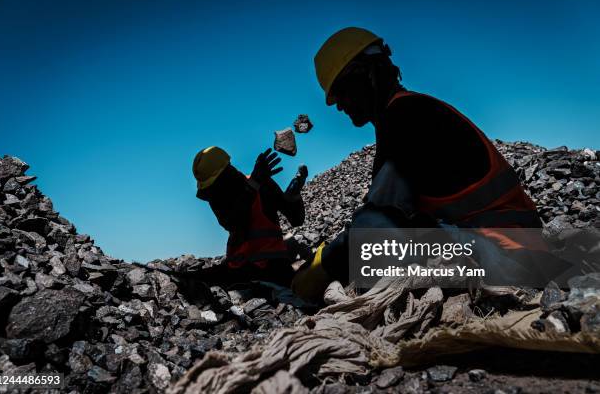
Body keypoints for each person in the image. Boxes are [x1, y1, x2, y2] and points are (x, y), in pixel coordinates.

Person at [292, 27, 562, 299]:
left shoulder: (405, 117)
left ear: (366, 74)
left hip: (504, 255)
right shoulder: (412, 111)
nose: (338, 105)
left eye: (340, 91)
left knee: (371, 232)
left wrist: (325, 264)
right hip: (515, 250)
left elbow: (379, 217)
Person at [193, 146, 307, 287]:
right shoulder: (219, 196)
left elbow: (296, 219)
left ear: (226, 172)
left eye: (212, 185)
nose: (210, 191)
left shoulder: (262, 184)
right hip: (240, 269)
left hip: (272, 269)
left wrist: (293, 196)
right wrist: (254, 184)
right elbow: (233, 223)